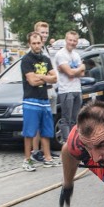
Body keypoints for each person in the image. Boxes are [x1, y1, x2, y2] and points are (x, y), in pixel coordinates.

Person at [20, 31, 59, 171]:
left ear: (42, 43)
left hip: (44, 100)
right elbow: (32, 82)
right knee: (29, 132)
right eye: (34, 43)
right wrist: (45, 77)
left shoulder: (46, 59)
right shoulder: (26, 60)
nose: (37, 46)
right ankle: (27, 160)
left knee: (46, 131)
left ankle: (48, 158)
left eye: (39, 43)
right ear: (29, 44)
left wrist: (39, 76)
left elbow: (54, 78)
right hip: (31, 100)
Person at [29, 21, 59, 164]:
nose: (45, 35)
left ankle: (45, 149)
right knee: (38, 124)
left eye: (46, 33)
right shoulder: (33, 52)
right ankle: (36, 151)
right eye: (42, 33)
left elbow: (53, 75)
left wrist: (48, 78)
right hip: (39, 92)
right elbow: (34, 77)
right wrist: (47, 78)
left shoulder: (45, 50)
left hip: (50, 91)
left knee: (47, 123)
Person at [55, 30, 86, 142]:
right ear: (65, 40)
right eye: (70, 40)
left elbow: (82, 74)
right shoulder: (60, 54)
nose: (72, 42)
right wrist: (80, 68)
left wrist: (75, 70)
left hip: (77, 89)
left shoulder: (76, 54)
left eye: (74, 40)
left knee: (75, 119)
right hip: (66, 90)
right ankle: (67, 142)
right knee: (66, 119)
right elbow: (71, 73)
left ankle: (74, 142)